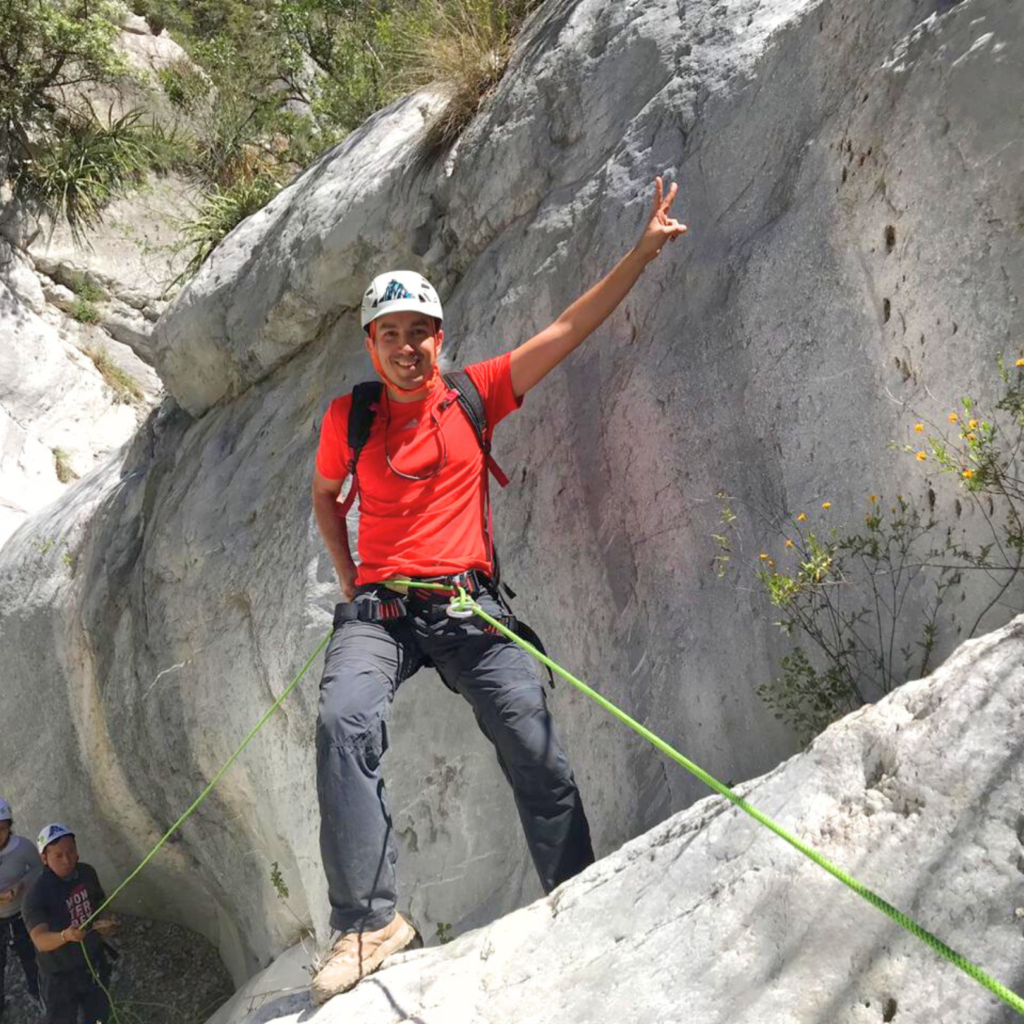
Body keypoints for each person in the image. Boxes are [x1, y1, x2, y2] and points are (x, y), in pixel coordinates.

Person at [310, 176, 687, 1003]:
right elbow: (325, 495)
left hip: (467, 604)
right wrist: (349, 577)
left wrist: (640, 252)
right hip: (381, 613)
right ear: (371, 345)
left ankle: (578, 895)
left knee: (530, 733)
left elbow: (567, 330)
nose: (407, 347)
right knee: (342, 720)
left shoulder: (474, 394)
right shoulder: (351, 418)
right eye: (390, 334)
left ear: (439, 338)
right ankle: (369, 923)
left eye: (419, 332)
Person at [21, 825, 118, 1024]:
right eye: (58, 855)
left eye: (71, 851)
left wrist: (108, 923)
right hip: (59, 975)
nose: (67, 860)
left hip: (93, 962)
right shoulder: (36, 895)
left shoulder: (86, 872)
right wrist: (66, 936)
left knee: (98, 1016)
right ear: (44, 858)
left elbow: (100, 903)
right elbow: (40, 940)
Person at [0, 797, 42, 1016]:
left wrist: (21, 885)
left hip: (20, 913)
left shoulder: (22, 847)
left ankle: (37, 993)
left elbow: (38, 868)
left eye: (1, 829)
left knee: (30, 957)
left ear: (9, 827)